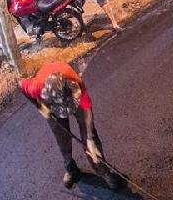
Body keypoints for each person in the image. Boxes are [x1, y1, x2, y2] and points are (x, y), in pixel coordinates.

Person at [19, 61, 123, 190]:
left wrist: (89, 138)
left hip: (69, 96)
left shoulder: (75, 84)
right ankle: (71, 168)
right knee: (62, 137)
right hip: (51, 104)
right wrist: (40, 106)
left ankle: (103, 171)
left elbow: (87, 110)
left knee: (91, 138)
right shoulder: (35, 87)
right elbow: (20, 85)